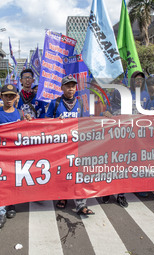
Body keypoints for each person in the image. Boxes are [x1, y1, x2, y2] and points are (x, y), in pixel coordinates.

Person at [0, 84, 31, 229]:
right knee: (0, 184)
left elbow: (28, 135)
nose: (8, 99)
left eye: (11, 96)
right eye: (5, 96)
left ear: (16, 97)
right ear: (0, 97)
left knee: (14, 182)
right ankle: (1, 212)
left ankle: (12, 205)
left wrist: (28, 121)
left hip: (16, 155)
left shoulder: (20, 114)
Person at [46, 74, 94, 215]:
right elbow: (45, 122)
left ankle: (81, 204)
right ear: (62, 88)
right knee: (62, 173)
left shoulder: (81, 103)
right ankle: (63, 197)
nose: (71, 89)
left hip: (77, 145)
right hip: (60, 146)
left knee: (79, 173)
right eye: (68, 86)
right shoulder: (55, 103)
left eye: (73, 86)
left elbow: (87, 123)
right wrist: (55, 122)